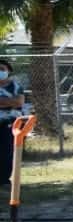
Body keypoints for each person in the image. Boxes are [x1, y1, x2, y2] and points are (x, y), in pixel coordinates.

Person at [0, 59, 25, 187]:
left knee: (7, 152)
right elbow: (13, 102)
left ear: (8, 71)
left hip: (11, 123)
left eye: (2, 69)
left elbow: (19, 102)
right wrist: (8, 101)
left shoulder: (15, 86)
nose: (0, 72)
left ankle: (4, 180)